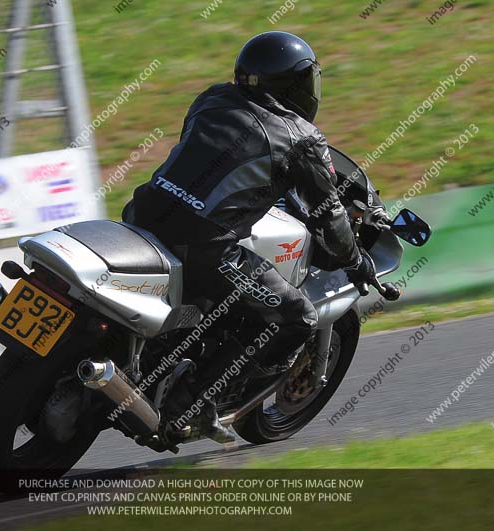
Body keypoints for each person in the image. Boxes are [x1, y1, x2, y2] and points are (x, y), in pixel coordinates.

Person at [122, 31, 388, 442]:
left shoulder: (211, 98)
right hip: (205, 248)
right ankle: (190, 404)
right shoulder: (299, 136)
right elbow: (329, 213)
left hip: (144, 213)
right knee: (297, 317)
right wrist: (355, 260)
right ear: (296, 86)